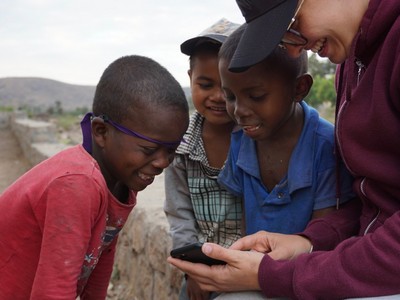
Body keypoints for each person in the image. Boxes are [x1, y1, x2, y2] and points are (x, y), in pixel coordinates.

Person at [167, 0, 400, 299]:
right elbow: (371, 206)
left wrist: (276, 275)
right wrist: (307, 241)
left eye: (290, 23)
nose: (293, 48)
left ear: (300, 88)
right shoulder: (353, 59)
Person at [0, 55, 189, 300]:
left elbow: (100, 260)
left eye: (171, 150)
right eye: (149, 150)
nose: (163, 162)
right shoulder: (77, 184)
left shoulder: (121, 183)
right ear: (101, 132)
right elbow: (53, 292)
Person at [217, 24, 354, 237]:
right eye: (230, 97)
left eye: (256, 96)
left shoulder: (326, 147)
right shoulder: (240, 141)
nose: (239, 111)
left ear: (299, 88)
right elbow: (243, 217)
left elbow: (322, 238)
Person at [163, 18, 242, 300]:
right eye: (206, 84)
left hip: (248, 265)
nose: (218, 97)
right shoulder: (181, 147)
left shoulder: (255, 138)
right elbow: (179, 214)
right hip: (202, 265)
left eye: (229, 85)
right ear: (190, 79)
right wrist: (193, 270)